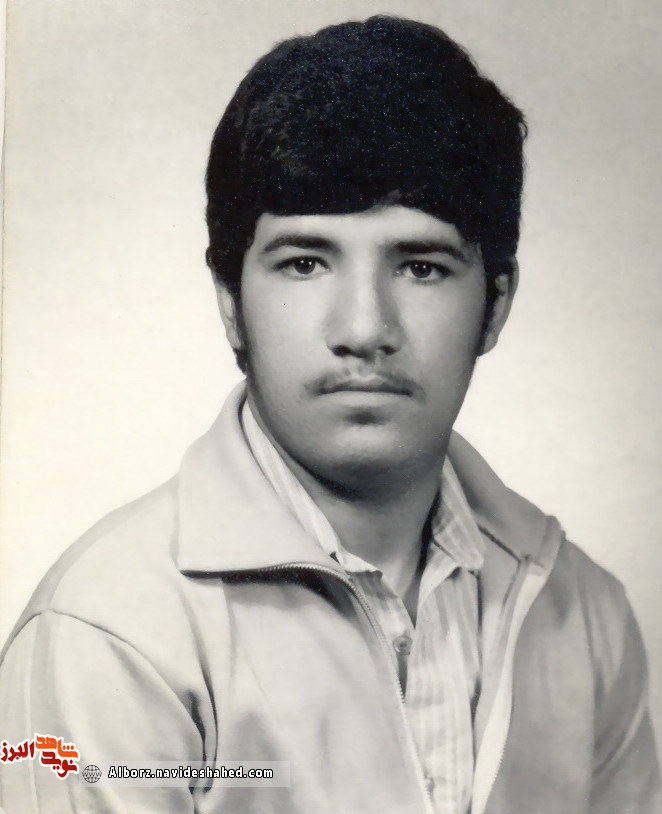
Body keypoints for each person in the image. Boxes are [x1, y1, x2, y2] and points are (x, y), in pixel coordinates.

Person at [0, 15, 658, 814]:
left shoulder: (585, 615)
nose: (363, 329)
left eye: (421, 266)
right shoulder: (107, 632)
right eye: (306, 262)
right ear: (231, 304)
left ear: (495, 306)